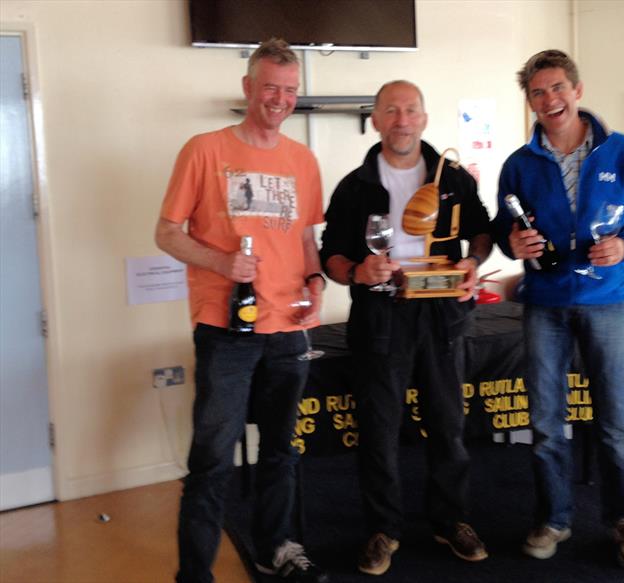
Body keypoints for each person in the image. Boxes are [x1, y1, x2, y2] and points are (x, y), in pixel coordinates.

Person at [155, 39, 328, 583]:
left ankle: (274, 548)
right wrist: (222, 262)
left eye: (290, 90)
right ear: (249, 87)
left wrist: (317, 279)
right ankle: (195, 573)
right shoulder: (203, 149)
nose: (280, 99)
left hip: (289, 330)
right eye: (270, 87)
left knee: (281, 449)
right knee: (211, 459)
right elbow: (166, 234)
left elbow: (304, 237)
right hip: (225, 329)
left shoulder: (303, 159)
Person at [492, 50, 624, 571]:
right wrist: (512, 243)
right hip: (544, 303)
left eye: (557, 88)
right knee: (546, 423)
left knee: (615, 424)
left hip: (608, 301)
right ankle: (554, 517)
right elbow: (506, 230)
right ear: (530, 100)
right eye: (538, 92)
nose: (550, 100)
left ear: (578, 90)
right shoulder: (519, 164)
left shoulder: (621, 152)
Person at [320, 80, 492, 576]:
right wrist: (354, 272)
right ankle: (383, 529)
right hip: (380, 314)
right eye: (391, 110)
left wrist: (473, 263)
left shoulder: (453, 178)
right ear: (376, 119)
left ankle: (451, 519)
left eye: (410, 109)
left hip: (443, 314)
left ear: (424, 117)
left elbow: (482, 231)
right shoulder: (354, 186)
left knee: (448, 423)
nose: (401, 119)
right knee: (378, 427)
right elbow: (329, 252)